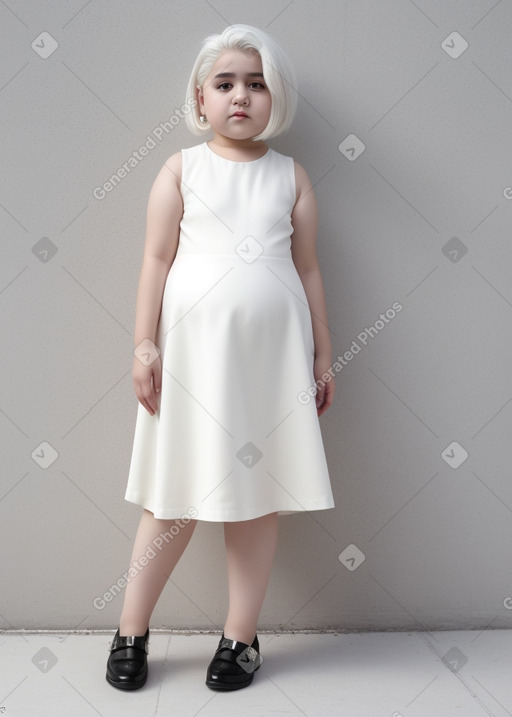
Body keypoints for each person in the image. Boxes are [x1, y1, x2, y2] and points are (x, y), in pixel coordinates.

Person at [105, 23, 335, 692]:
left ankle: (240, 636)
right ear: (200, 98)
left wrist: (323, 351)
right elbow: (155, 259)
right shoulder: (181, 167)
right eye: (225, 83)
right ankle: (130, 627)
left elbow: (310, 268)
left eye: (257, 84)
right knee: (171, 491)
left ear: (276, 99)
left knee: (253, 496)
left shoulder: (290, 176)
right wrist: (143, 341)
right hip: (193, 361)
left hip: (269, 362)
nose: (241, 95)